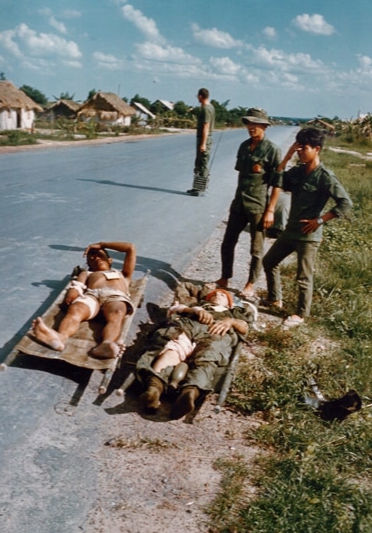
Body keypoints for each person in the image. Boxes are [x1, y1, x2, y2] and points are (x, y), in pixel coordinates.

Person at [262, 127, 352, 327]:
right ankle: (275, 298)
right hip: (291, 230)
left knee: (303, 276)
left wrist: (319, 220)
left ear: (317, 149)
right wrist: (286, 157)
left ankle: (301, 314)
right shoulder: (298, 172)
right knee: (269, 262)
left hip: (308, 235)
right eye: (298, 147)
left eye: (304, 148)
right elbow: (276, 180)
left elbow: (345, 203)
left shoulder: (325, 177)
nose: (300, 151)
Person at [135, 286, 254, 419]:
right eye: (214, 294)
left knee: (209, 356)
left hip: (216, 332)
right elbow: (173, 309)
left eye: (223, 295)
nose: (218, 294)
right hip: (189, 325)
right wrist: (193, 310)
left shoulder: (234, 312)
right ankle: (154, 388)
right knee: (173, 346)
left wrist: (230, 321)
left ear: (229, 303)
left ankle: (189, 393)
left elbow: (245, 328)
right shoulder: (197, 305)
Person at [215, 107, 282, 298]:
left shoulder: (272, 150)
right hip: (239, 204)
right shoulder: (244, 146)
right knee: (227, 243)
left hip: (258, 206)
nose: (251, 127)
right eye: (249, 123)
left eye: (255, 124)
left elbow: (277, 184)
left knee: (256, 249)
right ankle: (224, 277)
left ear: (264, 126)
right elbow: (241, 175)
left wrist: (270, 211)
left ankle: (250, 283)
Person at [32, 241, 136, 358]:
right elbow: (78, 285)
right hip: (92, 296)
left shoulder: (124, 274)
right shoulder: (88, 273)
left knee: (118, 313)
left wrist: (102, 245)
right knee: (76, 310)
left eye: (99, 254)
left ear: (110, 260)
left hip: (115, 296)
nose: (94, 257)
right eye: (91, 258)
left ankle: (106, 345)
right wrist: (73, 292)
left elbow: (130, 248)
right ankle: (60, 338)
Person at [187, 88, 215, 197]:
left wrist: (203, 143)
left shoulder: (206, 109)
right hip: (204, 138)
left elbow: (206, 126)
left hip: (204, 138)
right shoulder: (211, 107)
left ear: (200, 96)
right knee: (199, 162)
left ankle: (200, 189)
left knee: (202, 163)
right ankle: (196, 188)